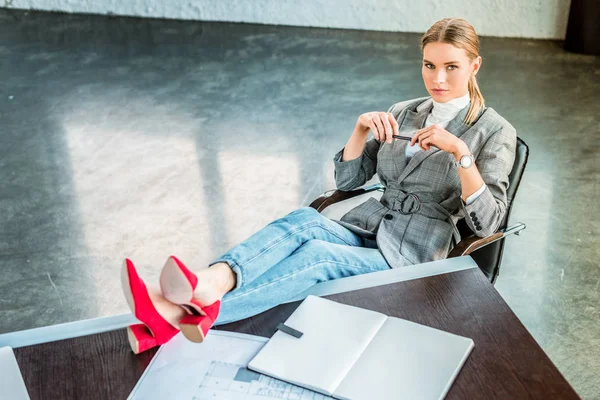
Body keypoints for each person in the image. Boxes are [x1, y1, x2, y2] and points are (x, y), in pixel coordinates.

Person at [121, 17, 517, 354]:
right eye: (429, 65)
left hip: (415, 253)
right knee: (302, 221)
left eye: (451, 66)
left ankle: (178, 316)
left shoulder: (494, 131)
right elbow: (348, 182)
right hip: (367, 225)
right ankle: (207, 283)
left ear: (475, 65)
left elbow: (488, 223)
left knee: (318, 257)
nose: (438, 78)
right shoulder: (404, 111)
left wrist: (461, 154)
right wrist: (359, 131)